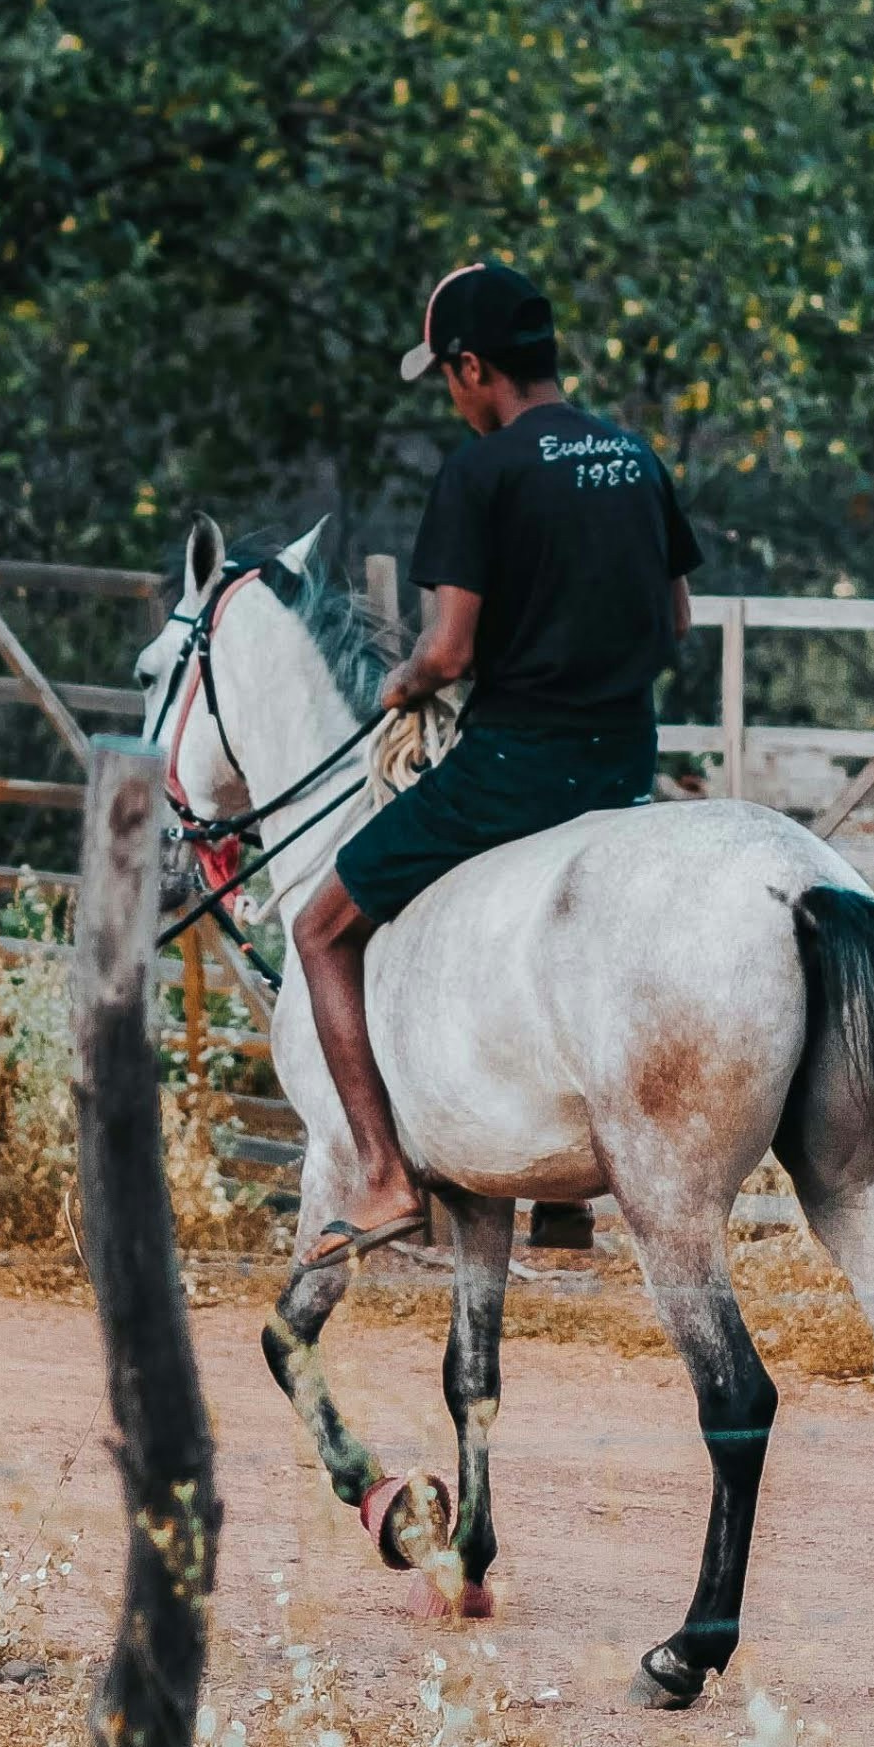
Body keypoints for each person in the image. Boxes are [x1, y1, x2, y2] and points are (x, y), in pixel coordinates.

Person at [290, 261, 701, 1264]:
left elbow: (451, 649)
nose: (448, 393)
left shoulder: (480, 472)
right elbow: (677, 618)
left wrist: (405, 687)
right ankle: (565, 1197)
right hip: (620, 770)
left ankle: (384, 1173)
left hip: (515, 768)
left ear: (474, 366)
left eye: (445, 374)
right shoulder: (634, 457)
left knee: (321, 928)